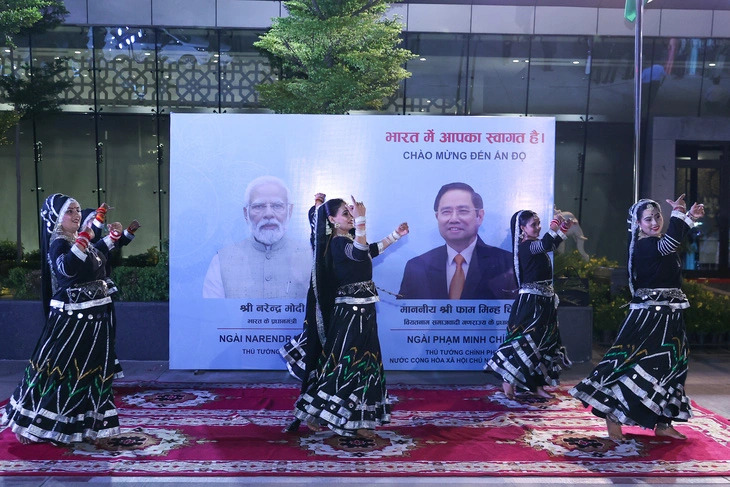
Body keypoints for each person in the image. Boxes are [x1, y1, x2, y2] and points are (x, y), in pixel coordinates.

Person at [570, 195, 705, 441]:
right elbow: (670, 244)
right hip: (649, 320)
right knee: (640, 367)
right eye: (648, 219)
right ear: (638, 224)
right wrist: (680, 216)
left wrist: (687, 218)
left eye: (658, 217)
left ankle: (663, 423)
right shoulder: (646, 245)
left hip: (670, 317)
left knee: (674, 368)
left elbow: (670, 243)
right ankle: (613, 418)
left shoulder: (659, 242)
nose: (654, 223)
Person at [2, 194, 130, 444]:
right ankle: (29, 422)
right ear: (57, 218)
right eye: (70, 211)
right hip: (73, 322)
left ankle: (83, 428)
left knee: (92, 374)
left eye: (78, 210)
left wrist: (116, 238)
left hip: (96, 319)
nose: (77, 215)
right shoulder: (58, 243)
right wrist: (83, 241)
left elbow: (98, 258)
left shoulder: (78, 241)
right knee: (56, 372)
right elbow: (67, 271)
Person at [290, 196, 408, 437]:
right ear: (332, 220)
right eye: (346, 213)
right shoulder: (336, 243)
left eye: (351, 213)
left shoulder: (349, 240)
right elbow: (358, 252)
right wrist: (362, 220)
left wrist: (395, 236)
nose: (351, 216)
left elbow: (367, 251)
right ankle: (326, 413)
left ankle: (358, 420)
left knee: (366, 366)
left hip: (365, 311)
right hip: (350, 314)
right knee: (348, 366)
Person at [486, 210, 573, 400]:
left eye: (539, 223)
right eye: (534, 224)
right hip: (531, 302)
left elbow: (550, 245)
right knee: (524, 342)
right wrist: (555, 226)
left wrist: (563, 229)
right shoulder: (527, 247)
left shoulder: (535, 246)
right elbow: (547, 244)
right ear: (522, 229)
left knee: (545, 343)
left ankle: (537, 386)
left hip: (545, 301)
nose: (538, 227)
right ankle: (508, 380)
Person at [398, 182, 514, 300]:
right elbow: (403, 314)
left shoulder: (507, 263)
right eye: (446, 212)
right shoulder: (416, 267)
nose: (454, 219)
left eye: (462, 211)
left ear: (479, 216)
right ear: (437, 217)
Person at [203, 175, 311, 299]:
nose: (268, 214)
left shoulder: (311, 257)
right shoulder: (221, 261)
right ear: (246, 213)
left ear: (290, 211)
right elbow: (214, 315)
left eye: (277, 206)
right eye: (259, 206)